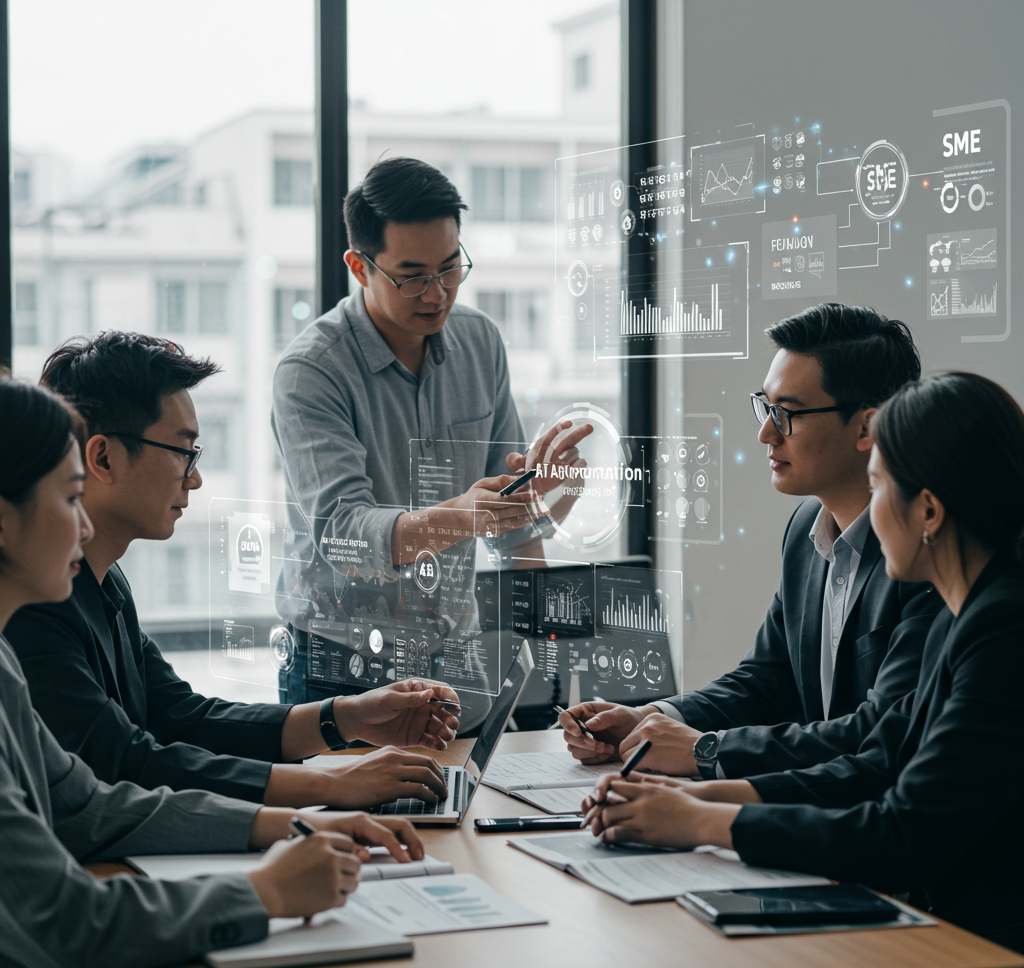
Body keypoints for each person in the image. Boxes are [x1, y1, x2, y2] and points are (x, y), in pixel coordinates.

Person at [583, 371, 1024, 968]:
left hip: (977, 957)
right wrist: (691, 798)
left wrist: (706, 823)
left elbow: (903, 831)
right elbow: (875, 764)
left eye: (877, 485)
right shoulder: (969, 614)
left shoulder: (1003, 632)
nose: (869, 515)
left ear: (928, 511)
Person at [0, 376, 424, 968]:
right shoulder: (36, 623)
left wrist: (303, 820)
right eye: (68, 498)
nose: (82, 526)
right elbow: (70, 926)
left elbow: (91, 805)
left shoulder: (13, 653)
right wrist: (263, 891)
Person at [5, 331, 464, 811]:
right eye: (185, 453)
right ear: (102, 457)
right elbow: (124, 762)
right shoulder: (32, 602)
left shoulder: (105, 581)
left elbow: (182, 719)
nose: (196, 478)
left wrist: (347, 718)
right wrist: (330, 785)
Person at [559, 303, 943, 779]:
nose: (765, 433)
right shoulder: (807, 531)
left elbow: (880, 733)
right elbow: (768, 679)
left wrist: (706, 750)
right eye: (766, 407)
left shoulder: (929, 555)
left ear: (867, 426)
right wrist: (653, 719)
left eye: (787, 414)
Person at [271, 156, 588, 716]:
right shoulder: (312, 371)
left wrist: (550, 492)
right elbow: (344, 533)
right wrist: (465, 515)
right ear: (359, 265)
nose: (437, 293)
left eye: (450, 268)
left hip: (455, 652)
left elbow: (511, 519)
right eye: (412, 275)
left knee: (473, 802)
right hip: (341, 662)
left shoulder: (480, 342)